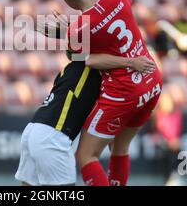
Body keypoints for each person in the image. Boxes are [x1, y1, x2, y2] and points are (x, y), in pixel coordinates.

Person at [49, 0, 163, 186]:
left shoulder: (77, 29)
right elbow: (109, 25)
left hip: (123, 91)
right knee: (119, 148)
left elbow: (84, 60)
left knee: (85, 156)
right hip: (151, 80)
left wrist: (64, 35)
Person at [15, 12, 156, 185]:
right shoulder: (100, 66)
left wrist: (66, 32)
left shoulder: (79, 63)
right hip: (53, 137)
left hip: (32, 131)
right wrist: (132, 62)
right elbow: (91, 51)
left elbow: (79, 48)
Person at [154, 92, 184, 186]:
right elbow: (156, 133)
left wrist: (175, 140)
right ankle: (169, 179)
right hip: (163, 144)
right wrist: (166, 142)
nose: (168, 105)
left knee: (178, 154)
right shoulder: (158, 115)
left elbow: (179, 130)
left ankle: (175, 177)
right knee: (167, 155)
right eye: (166, 102)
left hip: (175, 143)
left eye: (169, 102)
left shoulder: (177, 114)